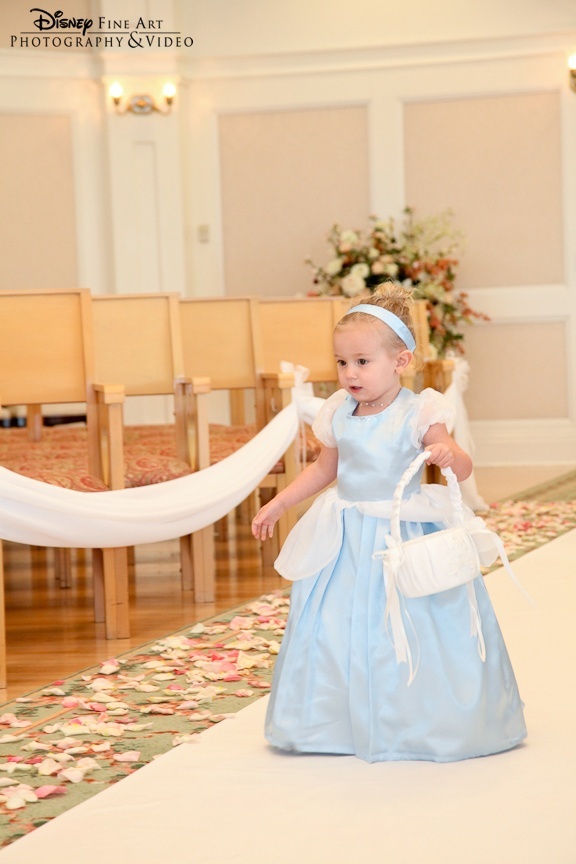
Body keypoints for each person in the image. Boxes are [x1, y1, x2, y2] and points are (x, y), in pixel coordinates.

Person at [252, 285, 526, 763]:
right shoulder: (340, 410)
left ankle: (418, 719)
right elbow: (324, 469)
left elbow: (462, 467)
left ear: (400, 361)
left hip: (401, 531)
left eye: (362, 362)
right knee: (336, 624)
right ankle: (330, 724)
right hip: (346, 536)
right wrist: (280, 504)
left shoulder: (419, 410)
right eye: (341, 363)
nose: (350, 373)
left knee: (415, 619)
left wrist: (448, 453)